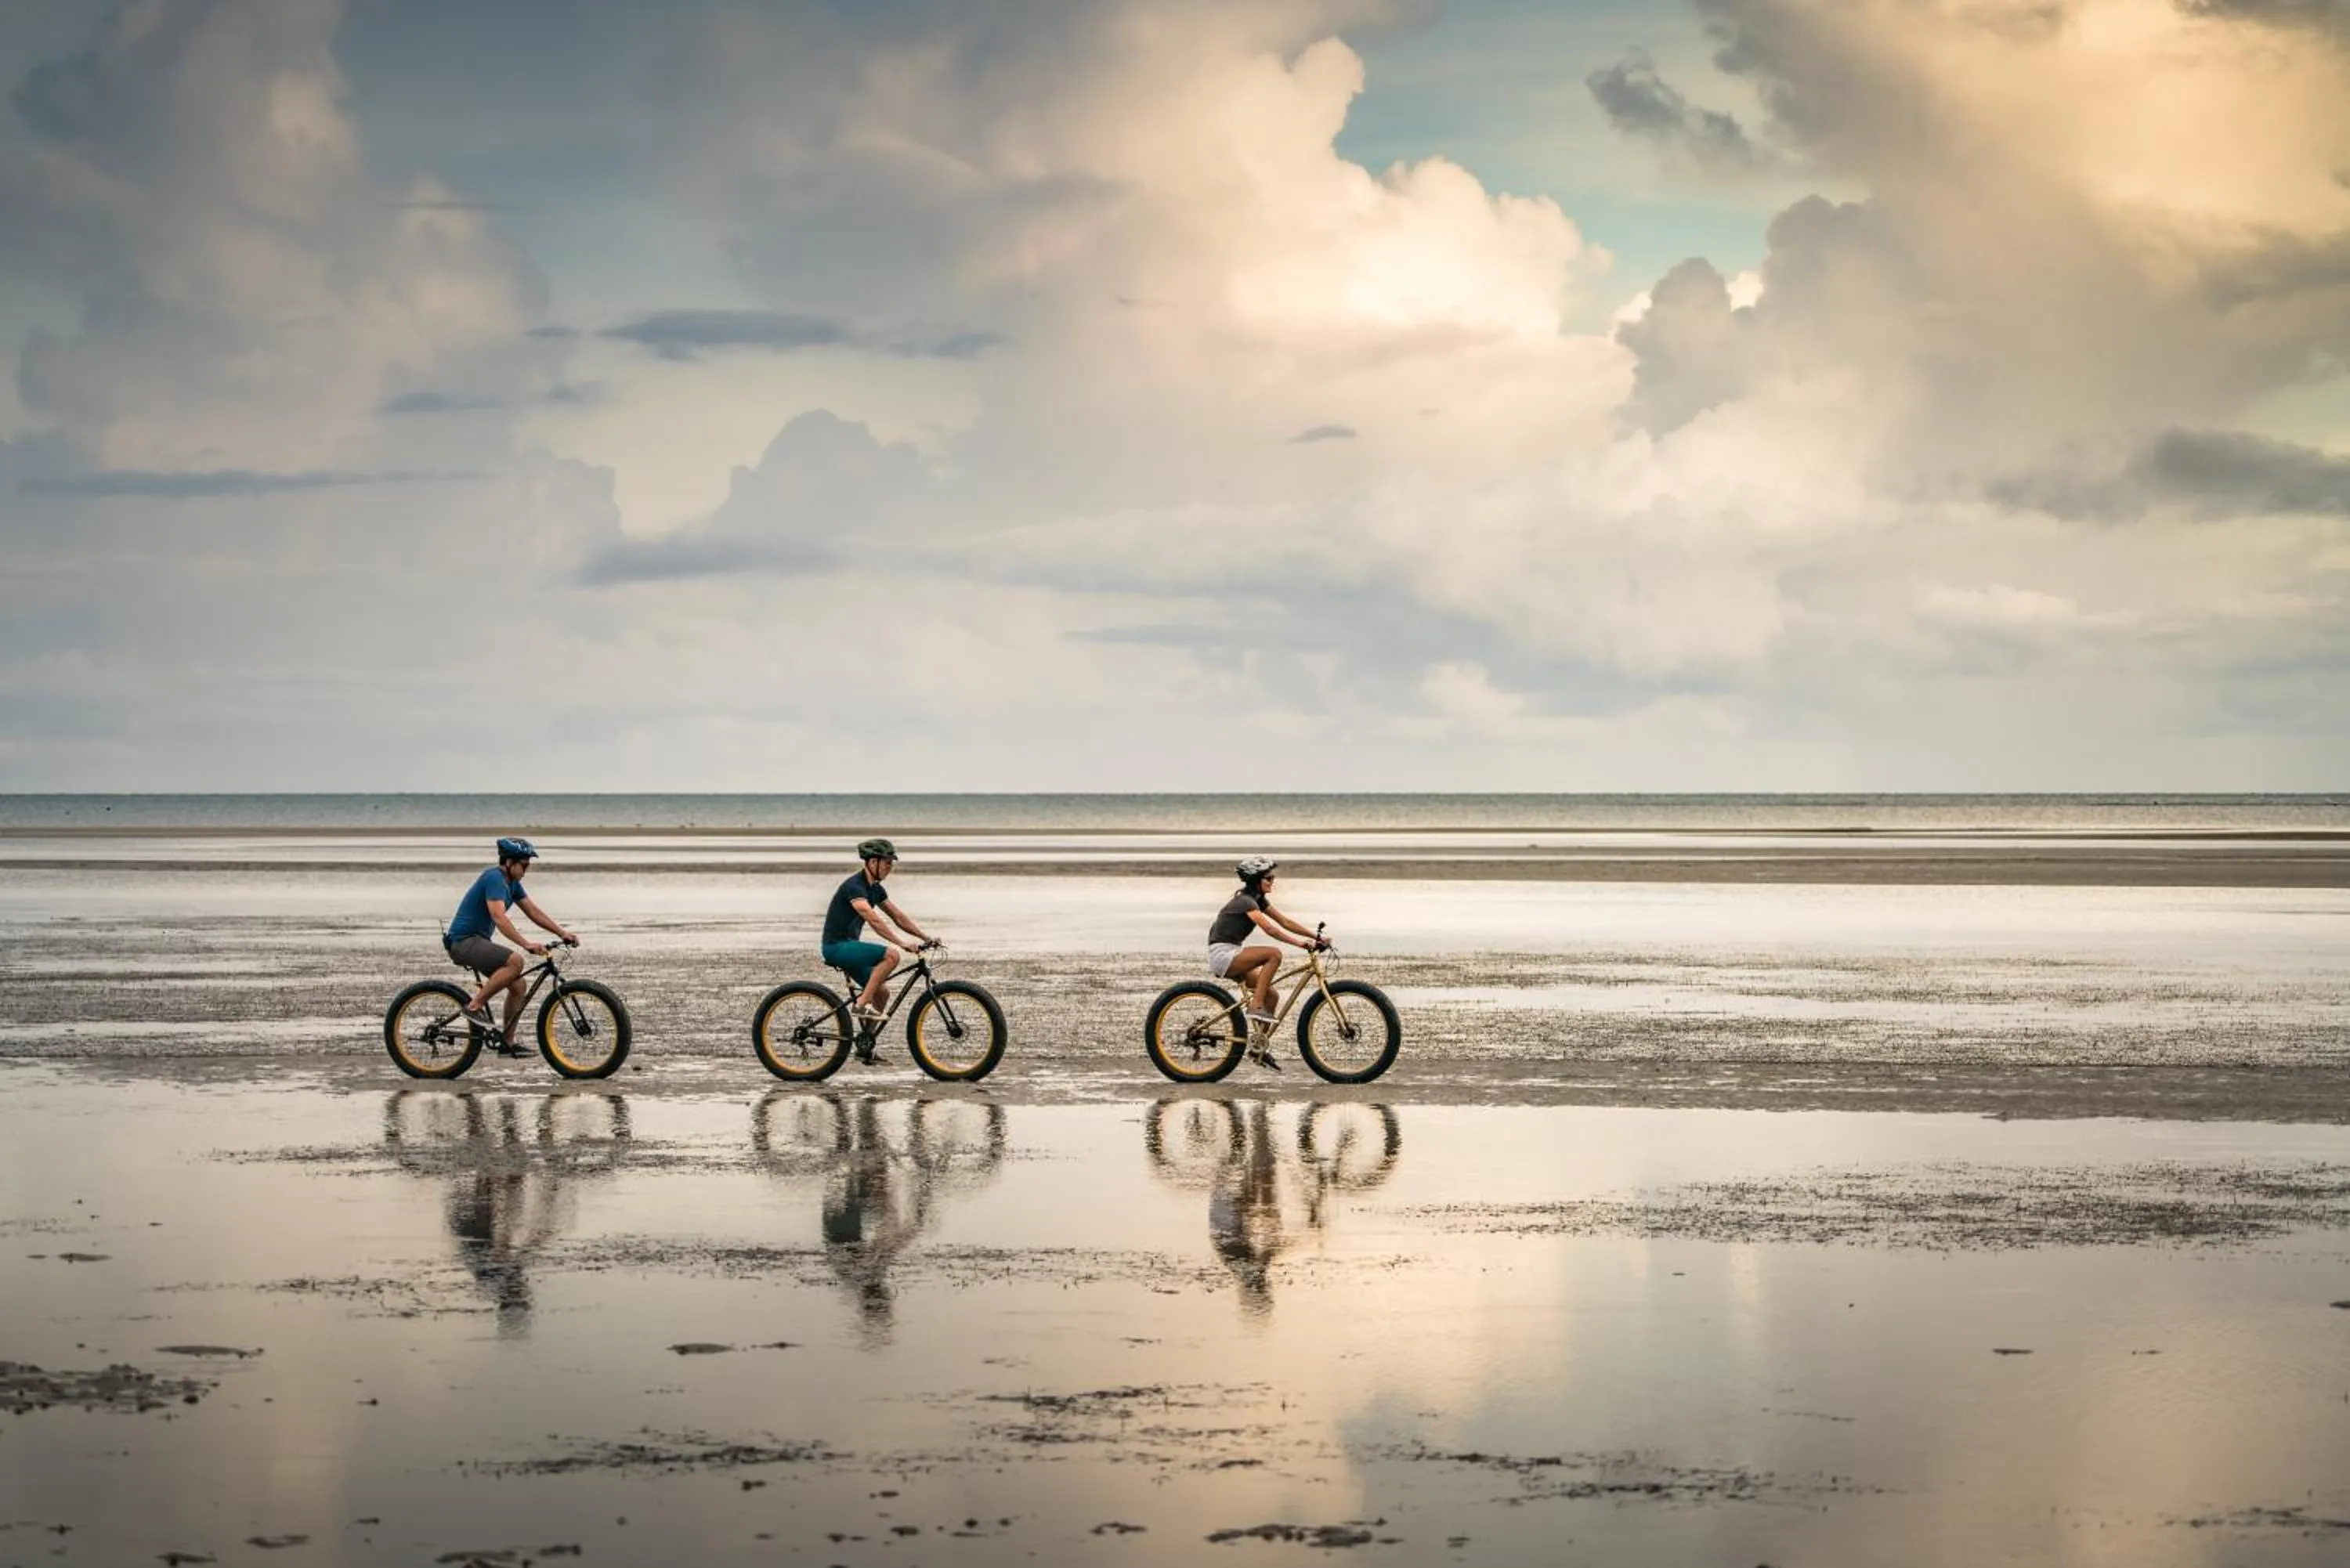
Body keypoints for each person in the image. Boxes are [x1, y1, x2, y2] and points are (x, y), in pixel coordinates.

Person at [445, 836, 577, 1053]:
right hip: (463, 942)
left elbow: (533, 912)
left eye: (528, 865)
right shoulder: (494, 878)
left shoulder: (512, 884)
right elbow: (498, 917)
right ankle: (474, 1006)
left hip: (477, 942)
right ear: (509, 862)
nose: (527, 869)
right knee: (515, 961)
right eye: (524, 865)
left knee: (518, 986)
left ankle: (507, 1042)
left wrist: (562, 932)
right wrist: (526, 944)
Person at [1208, 857, 1327, 1068]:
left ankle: (1258, 1047)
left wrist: (1315, 938)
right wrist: (1301, 944)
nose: (1273, 881)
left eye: (1273, 877)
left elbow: (1285, 922)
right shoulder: (1246, 901)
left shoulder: (1258, 900)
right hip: (1223, 955)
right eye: (1269, 878)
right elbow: (1270, 929)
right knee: (1274, 954)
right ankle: (1256, 1004)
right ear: (1256, 880)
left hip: (1233, 952)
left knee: (1271, 996)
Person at [822, 838, 936, 1042]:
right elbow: (873, 919)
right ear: (872, 863)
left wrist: (925, 937)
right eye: (887, 863)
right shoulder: (854, 887)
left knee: (882, 993)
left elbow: (898, 917)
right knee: (891, 956)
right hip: (836, 947)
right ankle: (861, 1005)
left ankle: (866, 1045)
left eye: (892, 863)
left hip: (849, 947)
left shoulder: (876, 889)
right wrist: (901, 943)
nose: (890, 868)